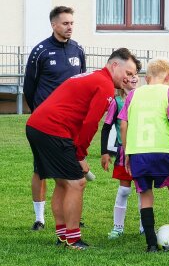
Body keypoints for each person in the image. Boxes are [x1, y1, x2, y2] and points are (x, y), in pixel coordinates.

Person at [26, 48, 140, 250]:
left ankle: (63, 236)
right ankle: (73, 239)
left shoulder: (95, 76)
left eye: (133, 75)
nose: (129, 78)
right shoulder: (104, 84)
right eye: (128, 73)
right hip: (52, 129)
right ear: (114, 65)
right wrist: (80, 155)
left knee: (63, 183)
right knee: (76, 183)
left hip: (37, 125)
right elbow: (90, 124)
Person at [119, 58, 169, 252]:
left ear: (146, 77)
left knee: (145, 196)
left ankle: (152, 244)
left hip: (138, 152)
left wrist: (127, 151)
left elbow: (123, 124)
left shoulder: (133, 95)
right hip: (162, 150)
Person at [23, 6, 86, 231]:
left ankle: (72, 214)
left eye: (72, 23)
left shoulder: (78, 50)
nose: (70, 27)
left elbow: (81, 84)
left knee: (71, 168)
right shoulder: (40, 51)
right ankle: (39, 218)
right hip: (46, 123)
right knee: (41, 169)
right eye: (65, 23)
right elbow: (29, 88)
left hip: (70, 123)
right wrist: (40, 112)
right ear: (54, 25)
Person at [100, 73, 146, 239]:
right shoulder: (117, 102)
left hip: (143, 152)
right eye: (129, 75)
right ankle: (117, 227)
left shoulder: (145, 99)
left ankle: (144, 227)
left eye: (135, 75)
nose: (133, 78)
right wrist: (104, 152)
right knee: (124, 190)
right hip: (123, 153)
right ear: (122, 81)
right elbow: (106, 127)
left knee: (143, 190)